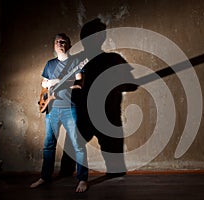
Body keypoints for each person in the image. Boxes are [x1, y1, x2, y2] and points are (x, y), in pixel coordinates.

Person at [77, 18, 138, 177]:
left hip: (109, 115)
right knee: (71, 154)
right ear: (84, 39)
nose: (96, 39)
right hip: (83, 114)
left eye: (98, 35)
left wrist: (118, 84)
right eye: (91, 36)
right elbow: (69, 90)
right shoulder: (76, 62)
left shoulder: (113, 60)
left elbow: (132, 84)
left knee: (116, 168)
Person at [30, 33, 89, 192]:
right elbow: (44, 85)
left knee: (77, 145)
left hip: (70, 108)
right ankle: (45, 176)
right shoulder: (49, 64)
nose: (59, 43)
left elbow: (79, 83)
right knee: (48, 145)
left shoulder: (77, 61)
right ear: (54, 45)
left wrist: (56, 82)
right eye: (57, 41)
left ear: (69, 45)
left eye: (63, 41)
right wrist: (45, 97)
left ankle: (82, 179)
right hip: (52, 109)